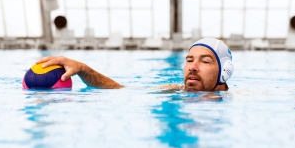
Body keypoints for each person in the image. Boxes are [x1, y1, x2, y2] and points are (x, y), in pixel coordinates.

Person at [35, 38, 234, 92]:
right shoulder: (173, 91)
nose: (192, 66)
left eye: (205, 61)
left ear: (224, 72)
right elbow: (119, 89)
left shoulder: (241, 99)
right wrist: (82, 68)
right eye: (189, 60)